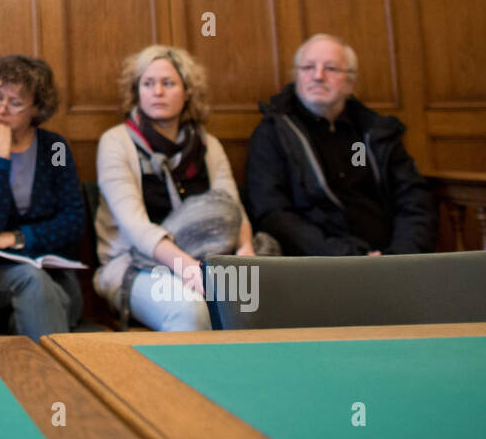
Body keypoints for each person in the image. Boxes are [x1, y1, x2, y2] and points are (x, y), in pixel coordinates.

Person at [94, 45, 276, 332]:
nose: (157, 92)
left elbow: (233, 208)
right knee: (191, 311)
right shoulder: (116, 142)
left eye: (168, 83)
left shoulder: (207, 144)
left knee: (255, 302)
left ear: (188, 91)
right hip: (135, 266)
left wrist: (245, 256)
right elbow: (135, 226)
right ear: (137, 91)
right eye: (148, 83)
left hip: (211, 258)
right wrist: (190, 269)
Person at [246, 33, 435, 255]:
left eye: (331, 68)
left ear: (350, 82)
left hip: (391, 260)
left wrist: (399, 256)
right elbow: (273, 214)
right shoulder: (273, 133)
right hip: (322, 265)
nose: (318, 76)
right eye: (307, 67)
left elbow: (414, 201)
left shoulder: (376, 131)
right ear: (296, 76)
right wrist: (348, 258)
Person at [0, 55, 84, 341]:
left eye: (14, 103)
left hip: (51, 270)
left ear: (36, 108)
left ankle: (27, 364)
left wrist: (17, 238)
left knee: (45, 294)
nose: (1, 109)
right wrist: (0, 156)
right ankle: (54, 381)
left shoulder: (55, 149)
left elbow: (74, 220)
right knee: (34, 285)